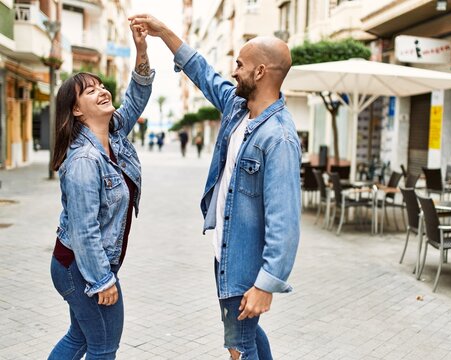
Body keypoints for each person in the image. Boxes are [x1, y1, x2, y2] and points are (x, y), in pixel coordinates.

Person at [129, 14, 301, 360]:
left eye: (240, 64)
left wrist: (266, 284)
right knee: (246, 336)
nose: (234, 70)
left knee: (238, 345)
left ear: (260, 72)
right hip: (225, 249)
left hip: (245, 262)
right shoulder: (239, 109)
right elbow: (203, 72)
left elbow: (285, 220)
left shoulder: (278, 137)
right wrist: (163, 33)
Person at [48, 20, 154, 359]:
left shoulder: (114, 136)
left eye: (100, 85)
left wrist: (141, 51)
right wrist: (101, 281)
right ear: (77, 110)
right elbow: (84, 229)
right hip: (81, 266)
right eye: (89, 91)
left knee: (79, 340)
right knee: (103, 346)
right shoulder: (83, 160)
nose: (102, 90)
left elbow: (137, 98)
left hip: (83, 264)